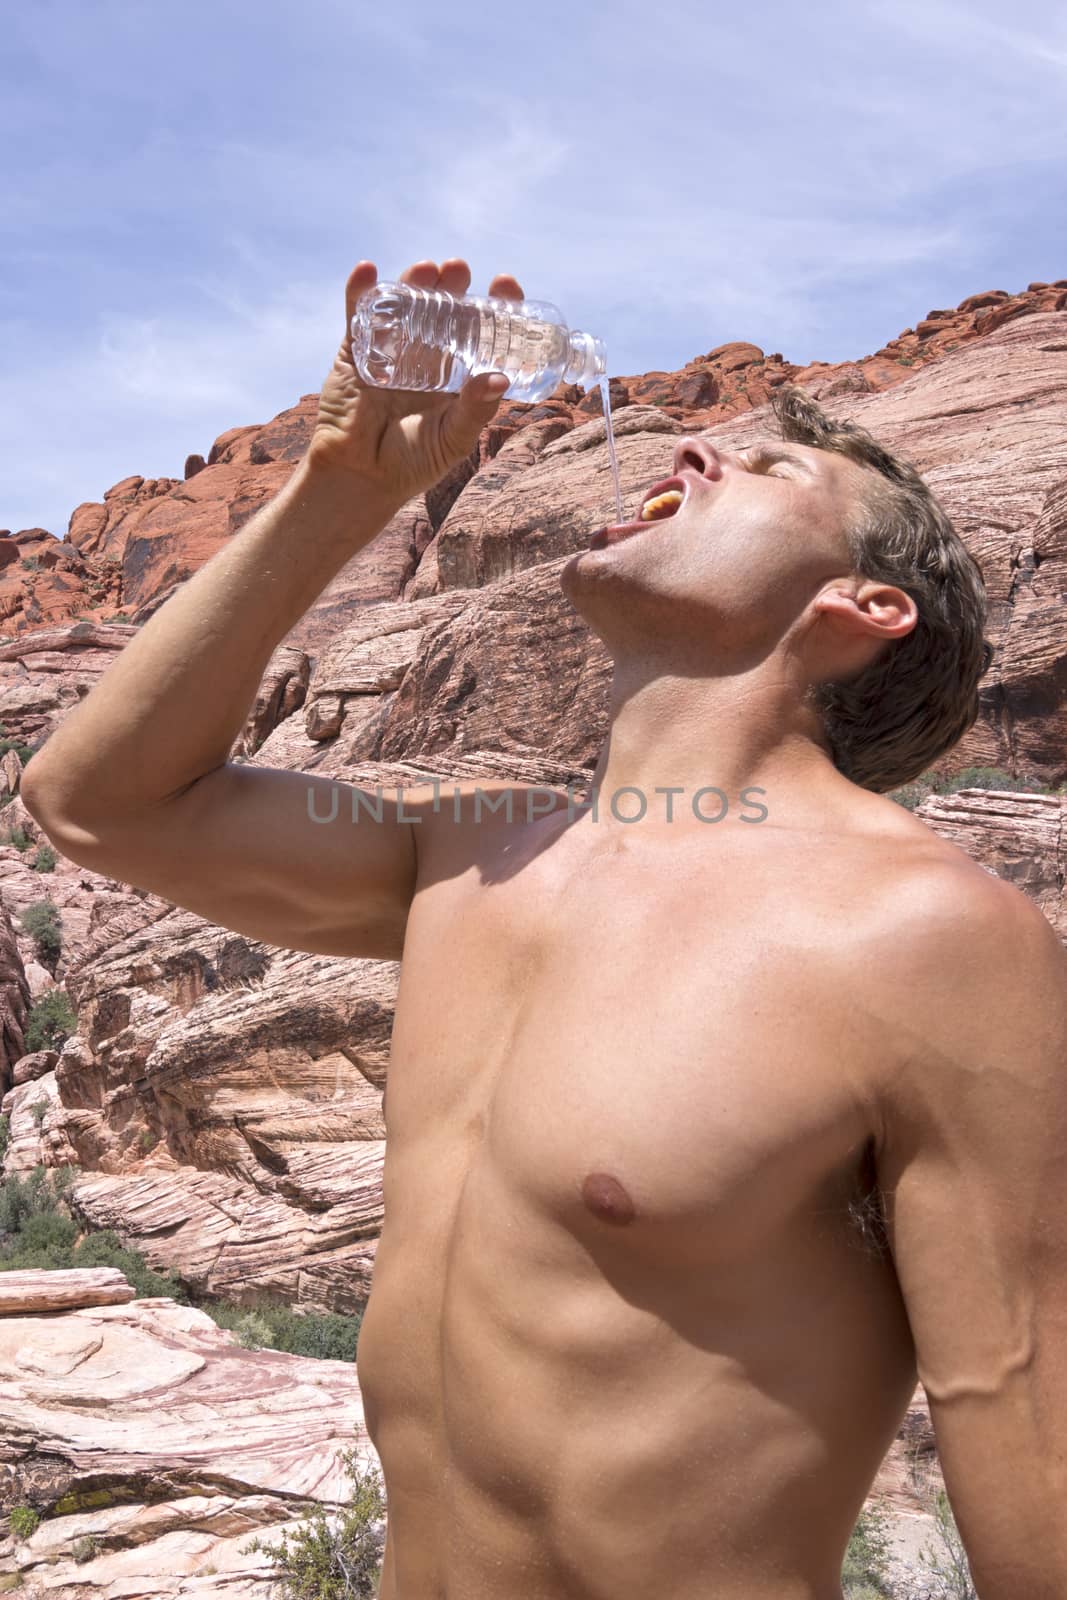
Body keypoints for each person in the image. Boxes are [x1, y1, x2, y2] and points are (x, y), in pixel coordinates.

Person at [21, 257, 1067, 1600]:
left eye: (769, 470)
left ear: (862, 610)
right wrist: (340, 491)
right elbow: (95, 803)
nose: (696, 445)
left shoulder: (927, 938)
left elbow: (1024, 1431)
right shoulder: (480, 852)